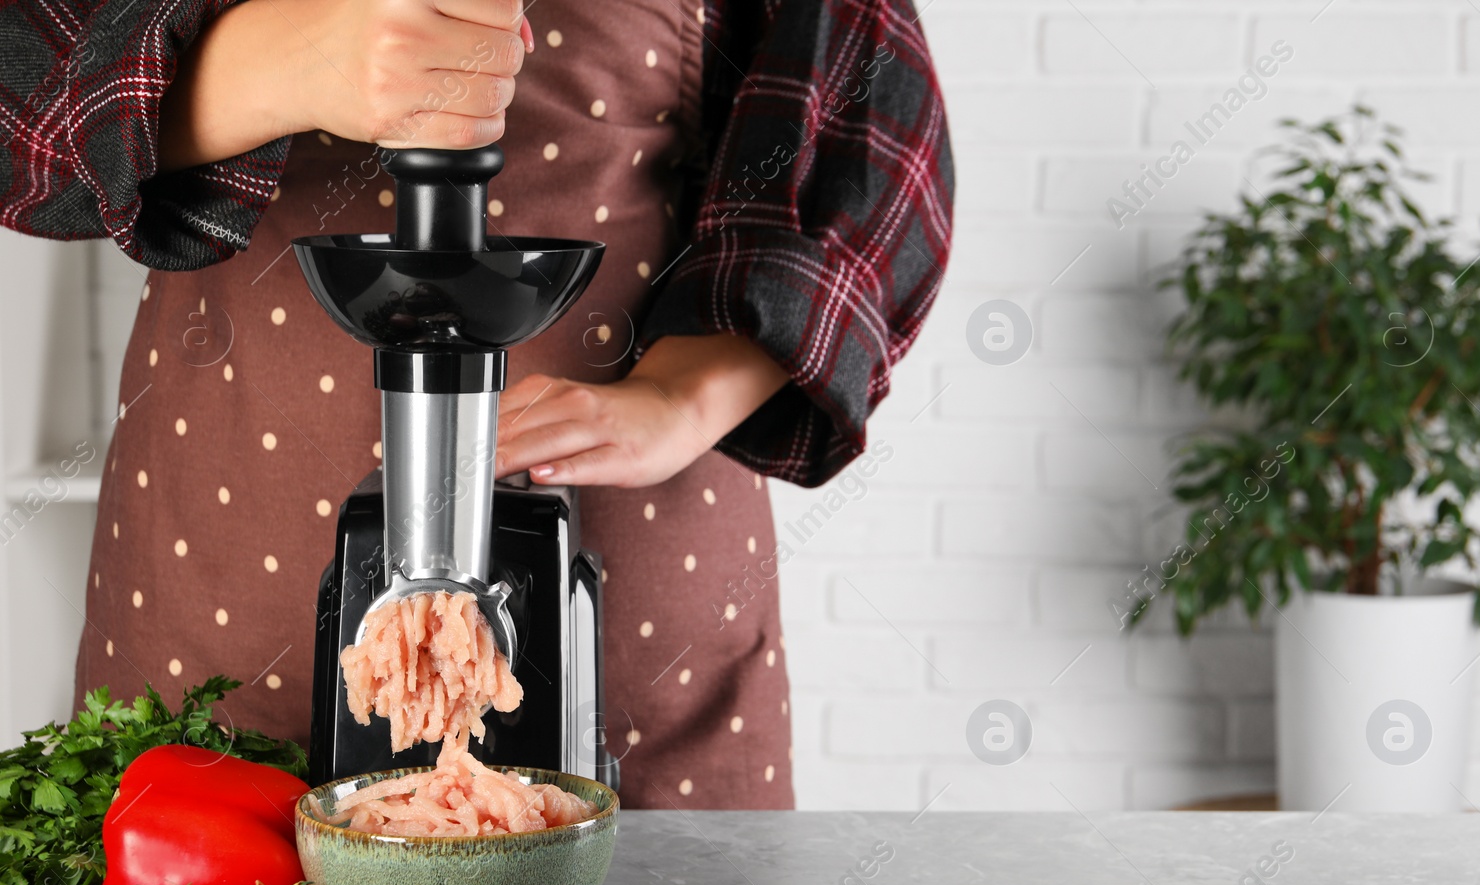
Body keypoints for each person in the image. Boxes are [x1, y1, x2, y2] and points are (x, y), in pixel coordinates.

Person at [0, 0, 953, 809]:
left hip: (639, 599)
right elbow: (20, 90)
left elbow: (862, 130)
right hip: (218, 612)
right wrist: (294, 58)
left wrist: (684, 394)